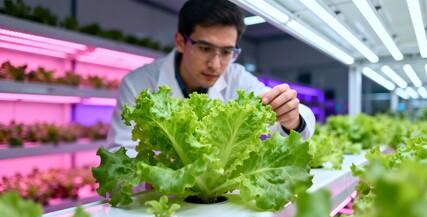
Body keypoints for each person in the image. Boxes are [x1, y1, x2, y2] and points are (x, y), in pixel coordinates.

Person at [106, 0, 316, 157]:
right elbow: (120, 155)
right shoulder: (138, 84)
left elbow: (288, 117)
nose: (216, 65)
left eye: (226, 52)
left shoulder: (237, 78)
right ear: (180, 42)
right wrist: (164, 175)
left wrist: (292, 119)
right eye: (205, 48)